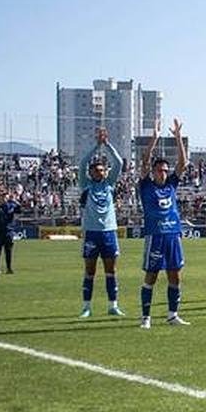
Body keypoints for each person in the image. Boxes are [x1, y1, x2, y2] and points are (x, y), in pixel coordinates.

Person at [138, 118, 189, 328]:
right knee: (151, 276)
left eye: (165, 170)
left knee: (174, 275)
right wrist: (154, 138)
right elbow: (144, 160)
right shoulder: (146, 185)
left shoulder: (171, 185)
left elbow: (183, 164)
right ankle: (146, 317)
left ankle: (172, 315)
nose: (163, 172)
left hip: (173, 236)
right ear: (154, 171)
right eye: (159, 169)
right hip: (155, 236)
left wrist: (178, 139)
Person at [78, 128, 125, 318]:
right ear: (91, 172)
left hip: (109, 232)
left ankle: (113, 305)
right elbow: (82, 163)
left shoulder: (109, 184)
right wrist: (97, 146)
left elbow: (119, 162)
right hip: (91, 232)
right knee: (90, 271)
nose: (100, 172)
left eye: (102, 170)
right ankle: (86, 307)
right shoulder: (86, 184)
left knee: (111, 270)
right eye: (96, 170)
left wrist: (107, 145)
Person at [0, 184, 21, 274]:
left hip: (9, 230)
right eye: (2, 196)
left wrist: (15, 200)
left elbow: (19, 210)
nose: (4, 198)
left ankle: (9, 268)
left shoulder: (11, 204)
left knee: (8, 250)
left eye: (5, 196)